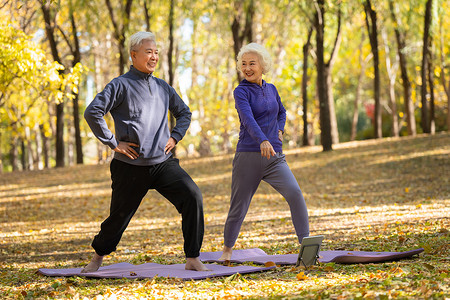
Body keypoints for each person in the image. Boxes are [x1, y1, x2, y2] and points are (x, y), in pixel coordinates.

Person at [83, 31, 208, 272]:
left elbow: (184, 112)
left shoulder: (163, 87)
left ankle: (192, 257)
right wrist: (112, 141)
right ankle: (98, 256)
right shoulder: (120, 85)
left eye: (156, 53)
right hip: (130, 166)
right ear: (134, 55)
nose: (153, 57)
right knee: (118, 218)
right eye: (148, 52)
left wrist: (175, 136)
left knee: (193, 196)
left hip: (163, 163)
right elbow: (93, 112)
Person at [219, 43, 310, 261]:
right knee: (239, 205)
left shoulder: (272, 89)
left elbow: (282, 111)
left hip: (274, 158)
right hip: (248, 156)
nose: (247, 68)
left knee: (295, 194)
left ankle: (306, 248)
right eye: (243, 64)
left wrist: (279, 129)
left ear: (263, 66)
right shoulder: (241, 91)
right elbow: (247, 119)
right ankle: (227, 251)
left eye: (252, 63)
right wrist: (262, 140)